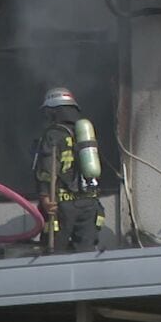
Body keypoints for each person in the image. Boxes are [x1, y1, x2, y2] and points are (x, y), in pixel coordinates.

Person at [33, 87, 103, 253]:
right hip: (90, 202)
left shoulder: (53, 134)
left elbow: (46, 169)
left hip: (62, 205)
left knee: (55, 253)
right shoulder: (86, 133)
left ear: (53, 112)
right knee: (86, 251)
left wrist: (44, 197)